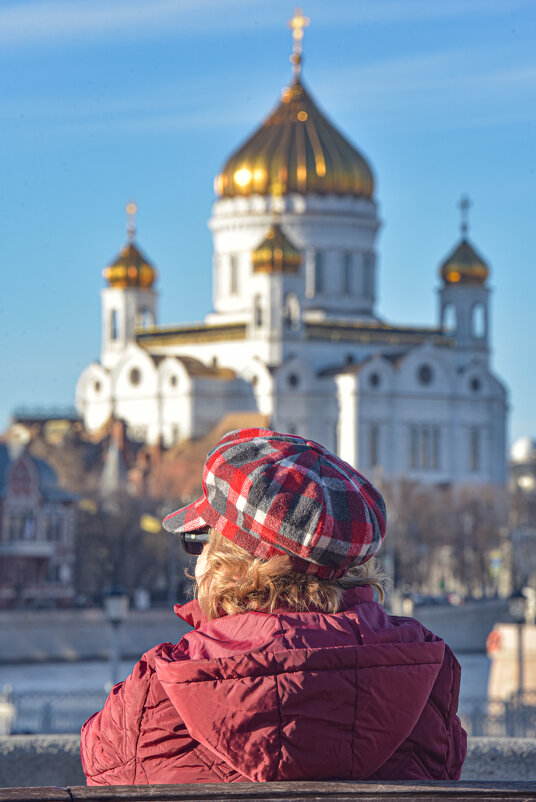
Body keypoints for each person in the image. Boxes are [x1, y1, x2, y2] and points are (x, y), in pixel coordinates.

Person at [81, 427, 466, 785]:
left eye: (199, 542)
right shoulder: (428, 673)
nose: (195, 562)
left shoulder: (159, 687)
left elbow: (103, 768)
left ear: (225, 559)